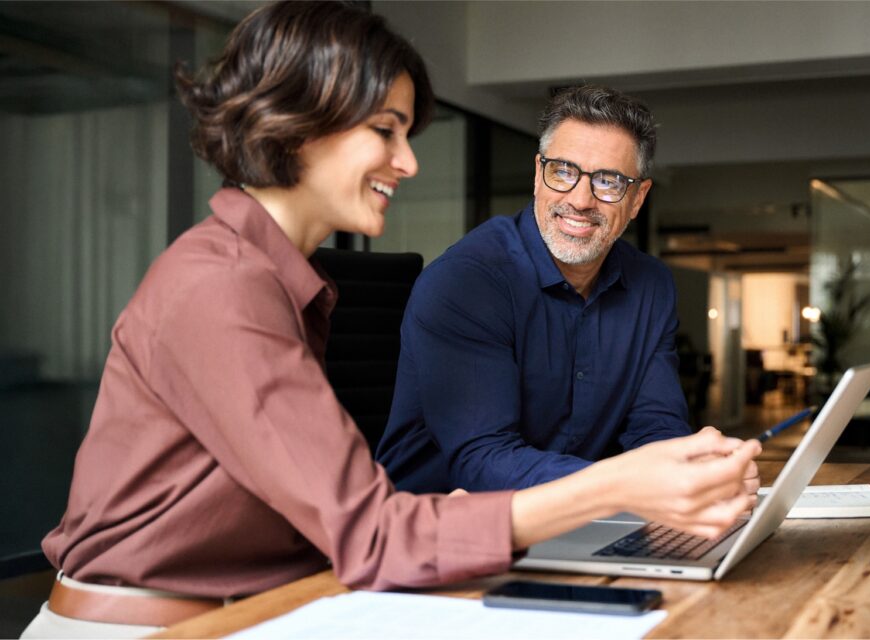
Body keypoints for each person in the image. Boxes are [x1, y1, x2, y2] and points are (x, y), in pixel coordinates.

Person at [22, 3, 760, 638]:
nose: (407, 163)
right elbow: (372, 533)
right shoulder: (223, 286)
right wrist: (619, 486)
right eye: (386, 130)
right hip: (152, 625)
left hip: (270, 607)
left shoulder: (280, 280)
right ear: (300, 127)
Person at [378, 85, 739, 494]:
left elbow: (655, 427)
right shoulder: (467, 281)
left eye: (608, 181)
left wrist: (691, 471)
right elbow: (483, 463)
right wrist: (630, 484)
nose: (581, 199)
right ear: (538, 174)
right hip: (443, 528)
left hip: (582, 520)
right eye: (563, 171)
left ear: (638, 199)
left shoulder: (650, 286)